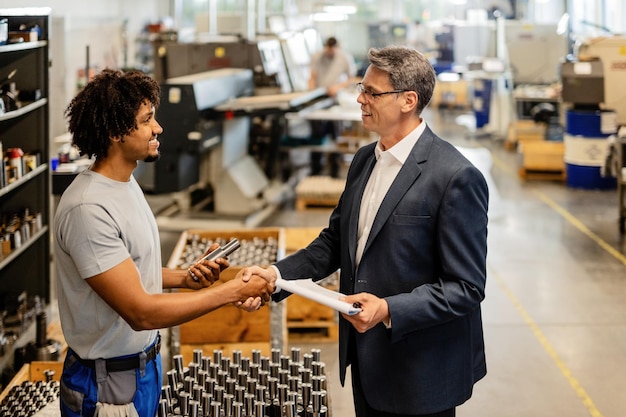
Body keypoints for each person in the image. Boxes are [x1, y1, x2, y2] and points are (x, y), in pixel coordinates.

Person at [256, 46, 489, 416]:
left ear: (408, 101)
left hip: (420, 373)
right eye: (361, 89)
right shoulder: (365, 159)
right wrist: (277, 275)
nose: (360, 99)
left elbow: (466, 287)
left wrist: (387, 309)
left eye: (371, 92)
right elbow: (336, 242)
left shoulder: (455, 177)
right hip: (367, 362)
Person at [54, 69, 274, 417]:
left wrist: (185, 278)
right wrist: (229, 293)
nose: (158, 128)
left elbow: (130, 269)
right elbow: (141, 312)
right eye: (147, 120)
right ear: (115, 132)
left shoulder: (126, 184)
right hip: (108, 386)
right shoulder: (88, 209)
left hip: (143, 369)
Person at [308, 36, 358, 178]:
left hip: (336, 98)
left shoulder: (344, 58)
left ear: (337, 48)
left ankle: (334, 170)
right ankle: (315, 170)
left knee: (335, 134)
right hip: (319, 97)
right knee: (317, 134)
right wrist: (311, 93)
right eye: (328, 50)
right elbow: (312, 76)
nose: (330, 53)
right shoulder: (317, 57)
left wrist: (337, 87)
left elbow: (351, 78)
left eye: (332, 50)